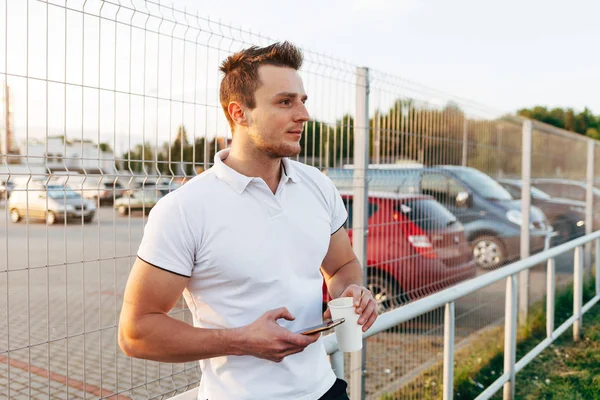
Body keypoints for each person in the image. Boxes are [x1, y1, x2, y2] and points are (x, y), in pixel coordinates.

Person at [118, 41, 377, 400]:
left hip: (325, 389)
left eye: (303, 100)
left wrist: (351, 292)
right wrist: (242, 341)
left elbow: (342, 265)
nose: (303, 114)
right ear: (239, 113)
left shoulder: (317, 185)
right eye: (285, 102)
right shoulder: (184, 208)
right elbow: (136, 332)